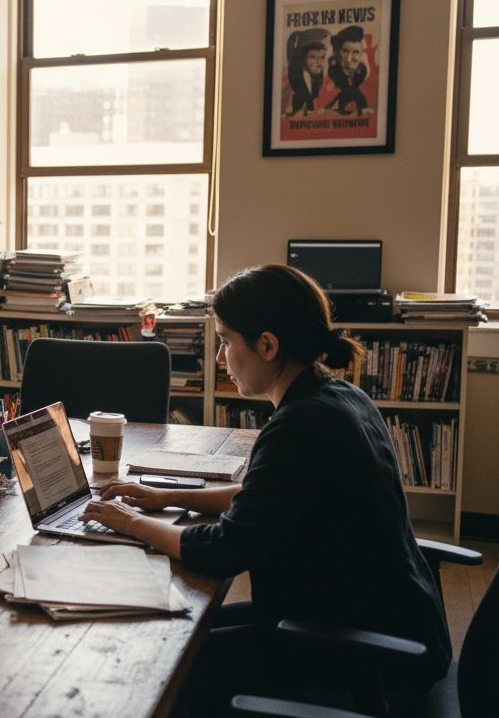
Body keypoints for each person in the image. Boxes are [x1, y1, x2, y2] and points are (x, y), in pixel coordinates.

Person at [81, 265, 449, 713]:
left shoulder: (301, 424)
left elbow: (224, 549)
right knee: (183, 628)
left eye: (225, 341)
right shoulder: (339, 398)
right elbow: (269, 496)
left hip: (359, 647)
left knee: (158, 669)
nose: (219, 358)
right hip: (376, 618)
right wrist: (168, 497)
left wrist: (134, 524)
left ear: (268, 345)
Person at [327, 25, 371, 116]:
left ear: (361, 54)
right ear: (339, 53)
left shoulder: (361, 71)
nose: (350, 58)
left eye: (355, 52)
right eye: (346, 51)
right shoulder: (333, 71)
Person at [285, 29, 327, 117]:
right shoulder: (296, 67)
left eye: (322, 57)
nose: (319, 61)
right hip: (299, 93)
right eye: (313, 56)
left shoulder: (318, 70)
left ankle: (309, 109)